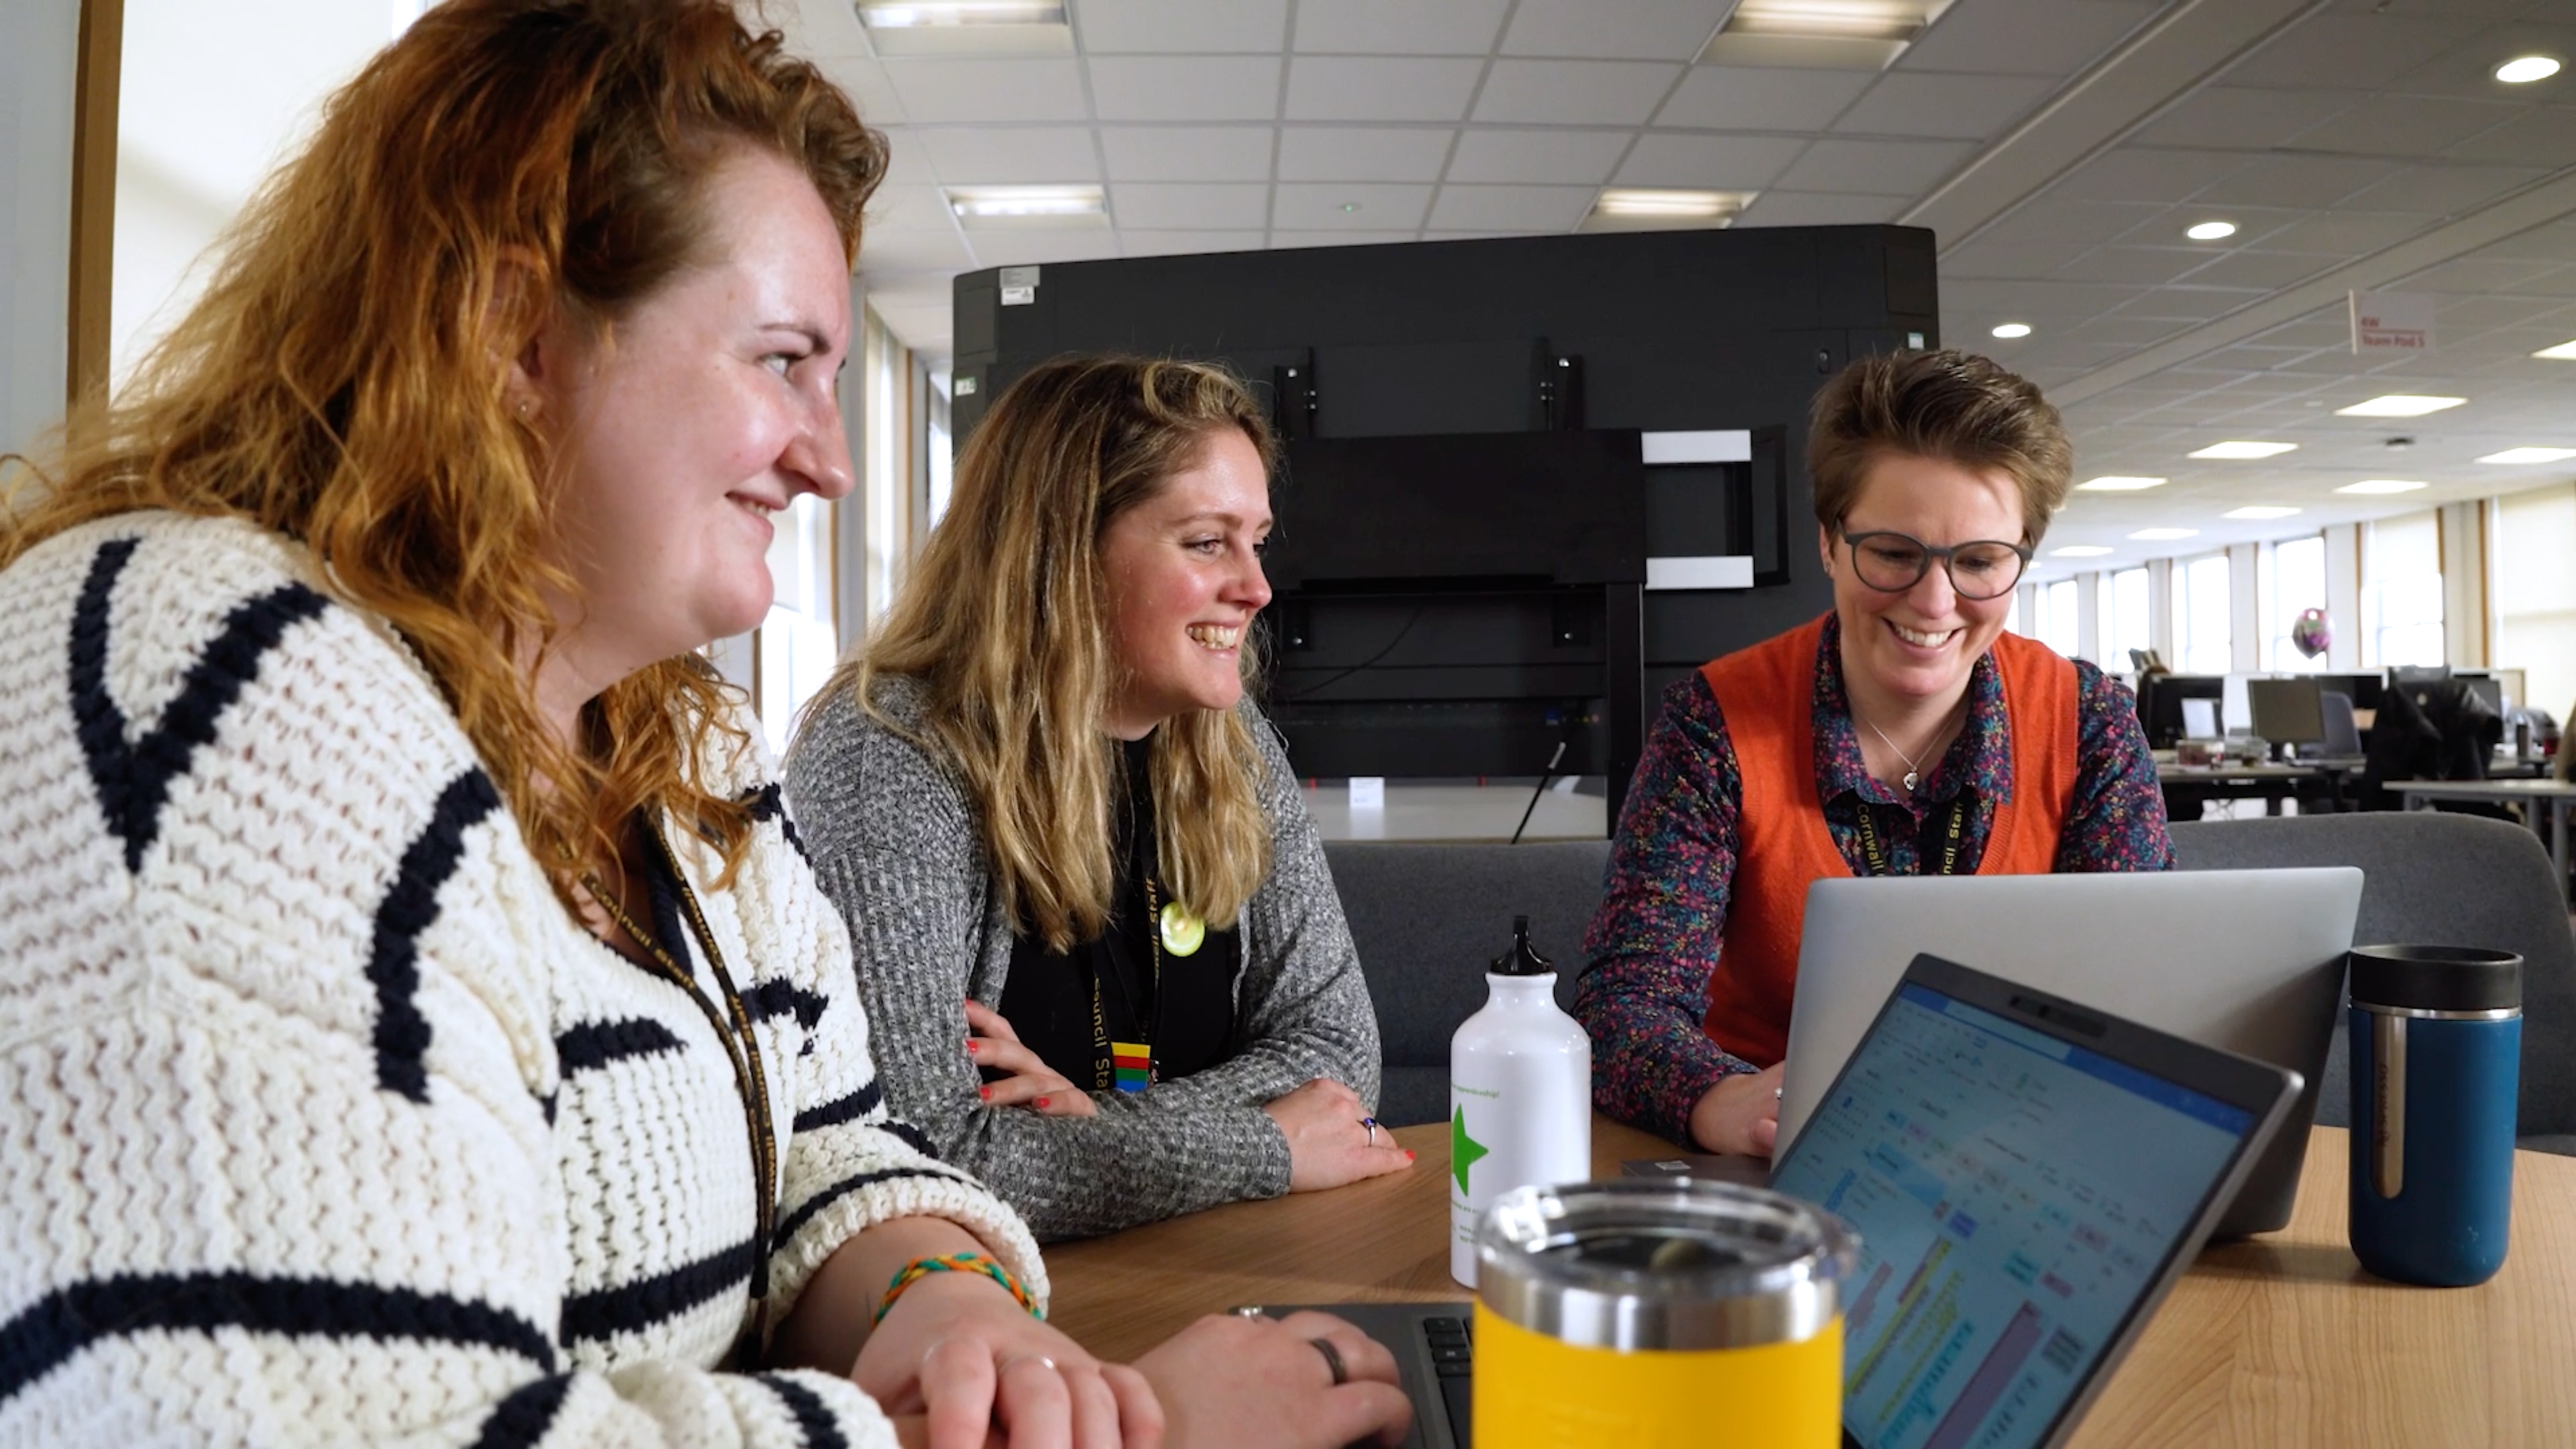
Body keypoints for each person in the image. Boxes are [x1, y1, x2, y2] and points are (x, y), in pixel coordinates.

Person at [0, 3, 1409, 1445]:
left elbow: (837, 1140)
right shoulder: (207, 677)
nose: (835, 460)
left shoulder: (691, 756)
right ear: (513, 338)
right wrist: (1137, 1434)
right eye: (781, 361)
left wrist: (946, 1295)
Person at [783, 356, 1409, 1243]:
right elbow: (927, 1149)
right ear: (1062, 550)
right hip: (997, 1312)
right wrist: (1259, 1143)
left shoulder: (1232, 744)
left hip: (1222, 1260)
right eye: (1206, 542)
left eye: (1256, 540)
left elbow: (1337, 1058)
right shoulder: (893, 751)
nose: (1258, 587)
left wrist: (1104, 1135)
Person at [1575, 349, 2172, 1159]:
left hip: (2020, 1152)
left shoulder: (2092, 724)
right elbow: (1623, 1006)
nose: (1934, 601)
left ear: (2019, 560)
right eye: (1892, 552)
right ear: (1829, 542)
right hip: (1769, 1161)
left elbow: (2141, 993)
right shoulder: (1712, 724)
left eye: (1979, 562)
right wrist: (1718, 1104)